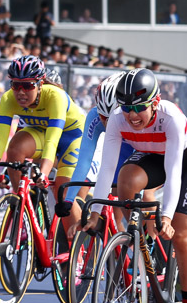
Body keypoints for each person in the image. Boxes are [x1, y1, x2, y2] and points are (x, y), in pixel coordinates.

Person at [83, 68, 187, 303]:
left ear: (156, 102)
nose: (132, 115)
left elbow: (174, 170)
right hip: (153, 155)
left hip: (181, 159)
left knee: (180, 234)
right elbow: (107, 167)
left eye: (140, 107)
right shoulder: (117, 120)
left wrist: (166, 216)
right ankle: (145, 242)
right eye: (127, 107)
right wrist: (94, 214)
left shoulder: (172, 117)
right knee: (126, 180)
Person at [0, 55, 85, 229]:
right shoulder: (8, 99)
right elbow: (0, 141)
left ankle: (78, 247)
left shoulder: (56, 96)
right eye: (16, 85)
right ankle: (23, 208)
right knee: (16, 147)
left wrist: (44, 174)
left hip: (72, 137)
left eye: (27, 85)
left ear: (40, 84)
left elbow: (52, 141)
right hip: (42, 133)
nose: (21, 92)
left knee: (61, 191)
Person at [57, 72, 139, 236]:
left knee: (132, 200)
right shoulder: (93, 116)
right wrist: (68, 200)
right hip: (112, 159)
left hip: (133, 157)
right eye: (103, 116)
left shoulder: (134, 117)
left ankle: (146, 246)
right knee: (112, 220)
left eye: (113, 117)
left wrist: (139, 194)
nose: (108, 123)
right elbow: (84, 161)